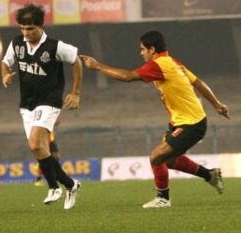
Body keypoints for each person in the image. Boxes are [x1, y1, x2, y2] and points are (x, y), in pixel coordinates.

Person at [80, 30, 229, 208]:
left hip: (192, 123)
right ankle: (210, 175)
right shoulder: (173, 62)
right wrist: (217, 104)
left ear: (151, 49)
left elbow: (127, 77)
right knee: (169, 160)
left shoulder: (159, 64)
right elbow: (197, 82)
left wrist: (97, 66)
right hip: (181, 121)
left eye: (143, 49)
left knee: (156, 157)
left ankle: (163, 199)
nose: (141, 53)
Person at [1, 3, 82, 210]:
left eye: (30, 28)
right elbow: (5, 61)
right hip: (26, 104)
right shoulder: (17, 43)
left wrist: (75, 92)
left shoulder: (55, 46)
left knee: (36, 143)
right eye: (22, 28)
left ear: (40, 26)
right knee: (38, 149)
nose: (25, 33)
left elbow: (76, 61)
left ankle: (53, 187)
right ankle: (71, 185)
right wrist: (5, 75)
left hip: (49, 100)